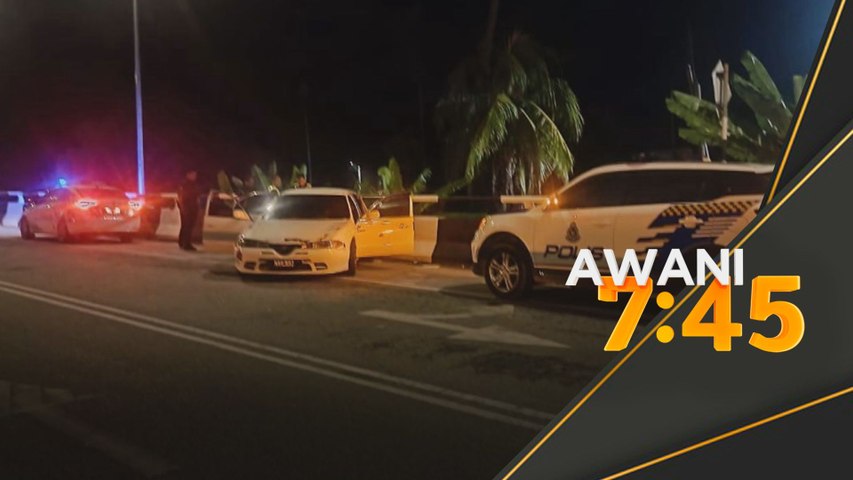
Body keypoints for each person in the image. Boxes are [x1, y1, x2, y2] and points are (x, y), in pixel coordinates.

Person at [177, 169, 200, 251]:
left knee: (185, 226)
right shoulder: (186, 185)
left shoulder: (190, 184)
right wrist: (185, 209)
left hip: (189, 208)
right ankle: (186, 244)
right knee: (187, 226)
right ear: (188, 175)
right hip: (188, 209)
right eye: (193, 174)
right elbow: (183, 198)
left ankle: (182, 242)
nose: (195, 176)